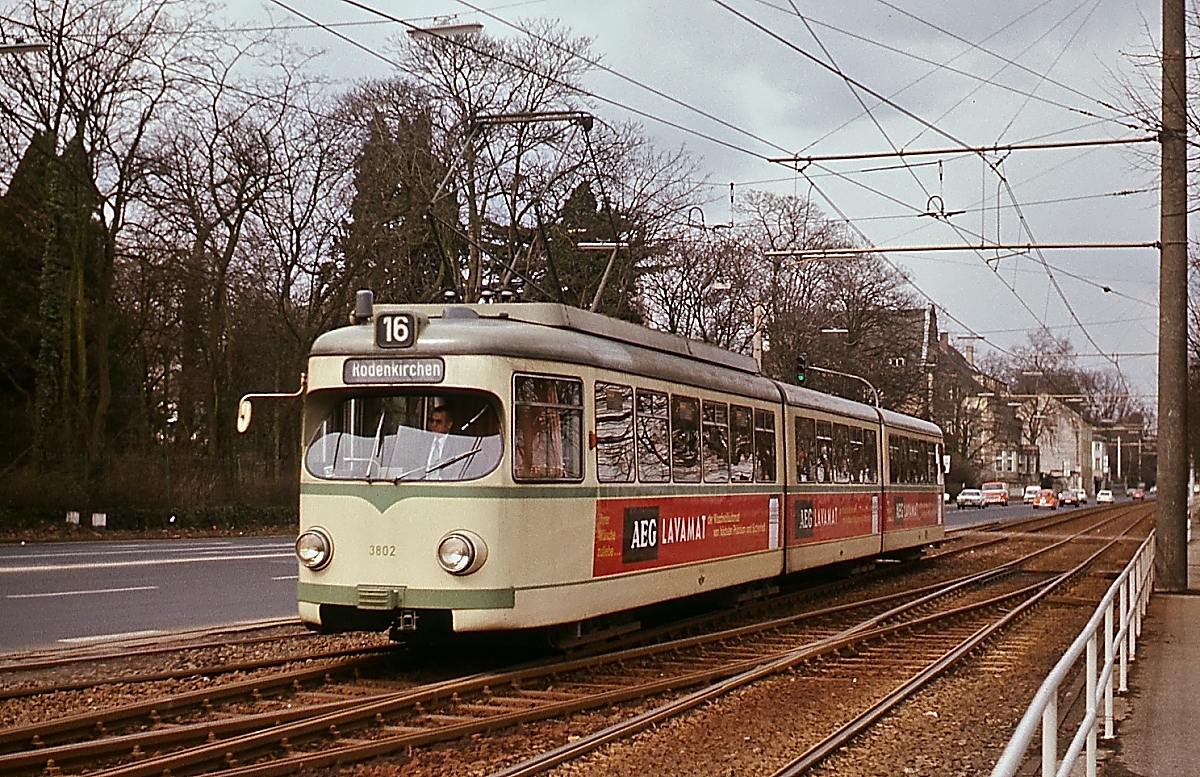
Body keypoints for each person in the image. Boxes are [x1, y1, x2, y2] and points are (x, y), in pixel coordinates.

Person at [425, 406, 454, 479]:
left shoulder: (455, 446)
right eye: (432, 421)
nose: (434, 425)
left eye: (438, 422)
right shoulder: (423, 443)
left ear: (449, 425)